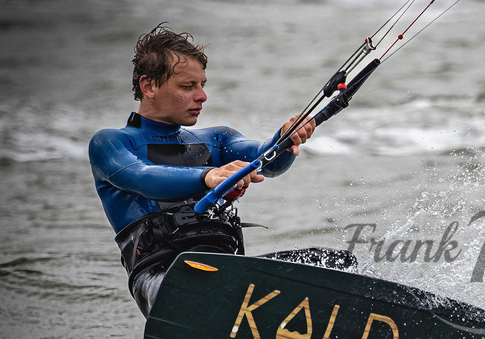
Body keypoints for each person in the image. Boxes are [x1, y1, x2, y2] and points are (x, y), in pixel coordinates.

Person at [90, 24, 331, 317]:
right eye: (187, 87)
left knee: (332, 265)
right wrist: (209, 176)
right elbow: (142, 177)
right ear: (149, 86)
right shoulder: (111, 143)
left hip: (226, 271)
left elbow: (265, 159)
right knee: (199, 280)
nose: (202, 96)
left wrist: (285, 138)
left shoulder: (216, 139)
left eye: (202, 85)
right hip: (161, 278)